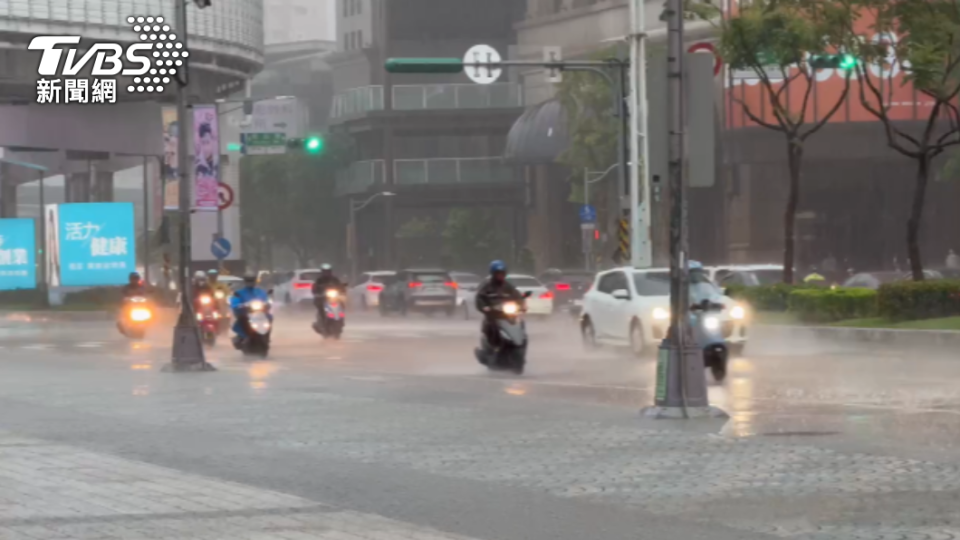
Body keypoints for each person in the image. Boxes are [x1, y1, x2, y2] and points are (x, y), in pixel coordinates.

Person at [475, 260, 526, 350]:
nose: (500, 275)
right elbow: (479, 298)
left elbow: (517, 296)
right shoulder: (487, 287)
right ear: (493, 274)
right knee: (491, 325)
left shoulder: (508, 286)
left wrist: (522, 305)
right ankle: (493, 347)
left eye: (502, 273)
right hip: (494, 315)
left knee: (520, 323)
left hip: (509, 315)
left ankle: (521, 344)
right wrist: (485, 307)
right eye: (498, 273)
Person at [229, 273, 271, 347]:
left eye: (252, 281)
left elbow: (266, 300)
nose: (250, 283)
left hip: (259, 313)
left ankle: (267, 335)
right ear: (245, 282)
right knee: (241, 319)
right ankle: (243, 336)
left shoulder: (260, 292)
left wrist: (268, 303)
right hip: (246, 313)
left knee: (270, 317)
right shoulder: (239, 292)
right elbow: (235, 302)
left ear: (255, 281)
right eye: (248, 281)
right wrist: (240, 305)